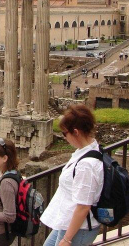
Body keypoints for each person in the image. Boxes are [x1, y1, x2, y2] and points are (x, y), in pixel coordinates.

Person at [41, 104, 104, 246]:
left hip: (78, 228)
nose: (64, 138)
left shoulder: (86, 165)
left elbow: (83, 206)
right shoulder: (90, 148)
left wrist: (67, 239)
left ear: (76, 132)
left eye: (65, 133)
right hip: (67, 221)